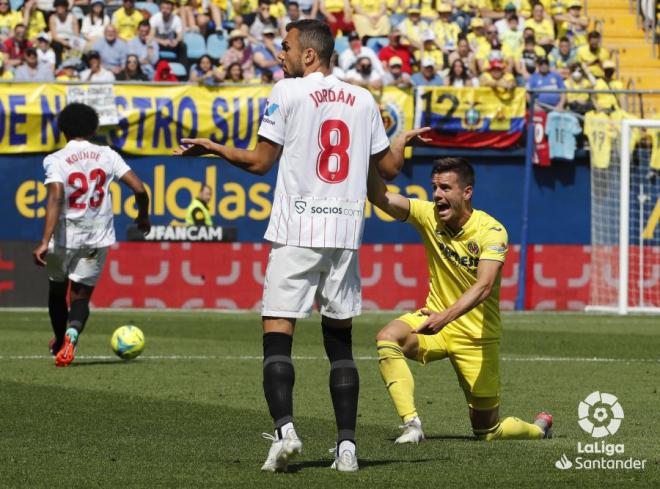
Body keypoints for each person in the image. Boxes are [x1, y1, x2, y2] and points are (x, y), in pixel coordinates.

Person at [174, 19, 428, 473]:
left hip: (297, 232)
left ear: (309, 54)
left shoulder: (286, 92)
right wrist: (403, 140)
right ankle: (347, 449)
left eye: (286, 47)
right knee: (340, 345)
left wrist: (214, 148)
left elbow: (259, 162)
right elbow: (388, 169)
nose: (280, 55)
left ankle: (286, 434)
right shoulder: (364, 98)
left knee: (277, 339)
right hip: (345, 236)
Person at [366, 157, 553, 445]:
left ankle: (538, 429)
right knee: (388, 338)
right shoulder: (427, 214)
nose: (437, 195)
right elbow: (380, 196)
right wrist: (366, 157)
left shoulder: (492, 231)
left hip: (476, 337)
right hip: (435, 322)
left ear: (466, 192)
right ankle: (411, 423)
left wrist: (445, 317)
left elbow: (484, 286)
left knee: (487, 431)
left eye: (445, 188)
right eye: (434, 188)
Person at [32, 103, 150, 368]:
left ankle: (60, 341)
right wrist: (143, 215)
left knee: (57, 290)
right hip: (96, 238)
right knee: (81, 297)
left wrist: (44, 240)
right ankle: (73, 335)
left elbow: (55, 196)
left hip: (63, 238)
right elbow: (140, 189)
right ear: (94, 129)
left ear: (62, 130)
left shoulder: (55, 159)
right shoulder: (107, 155)